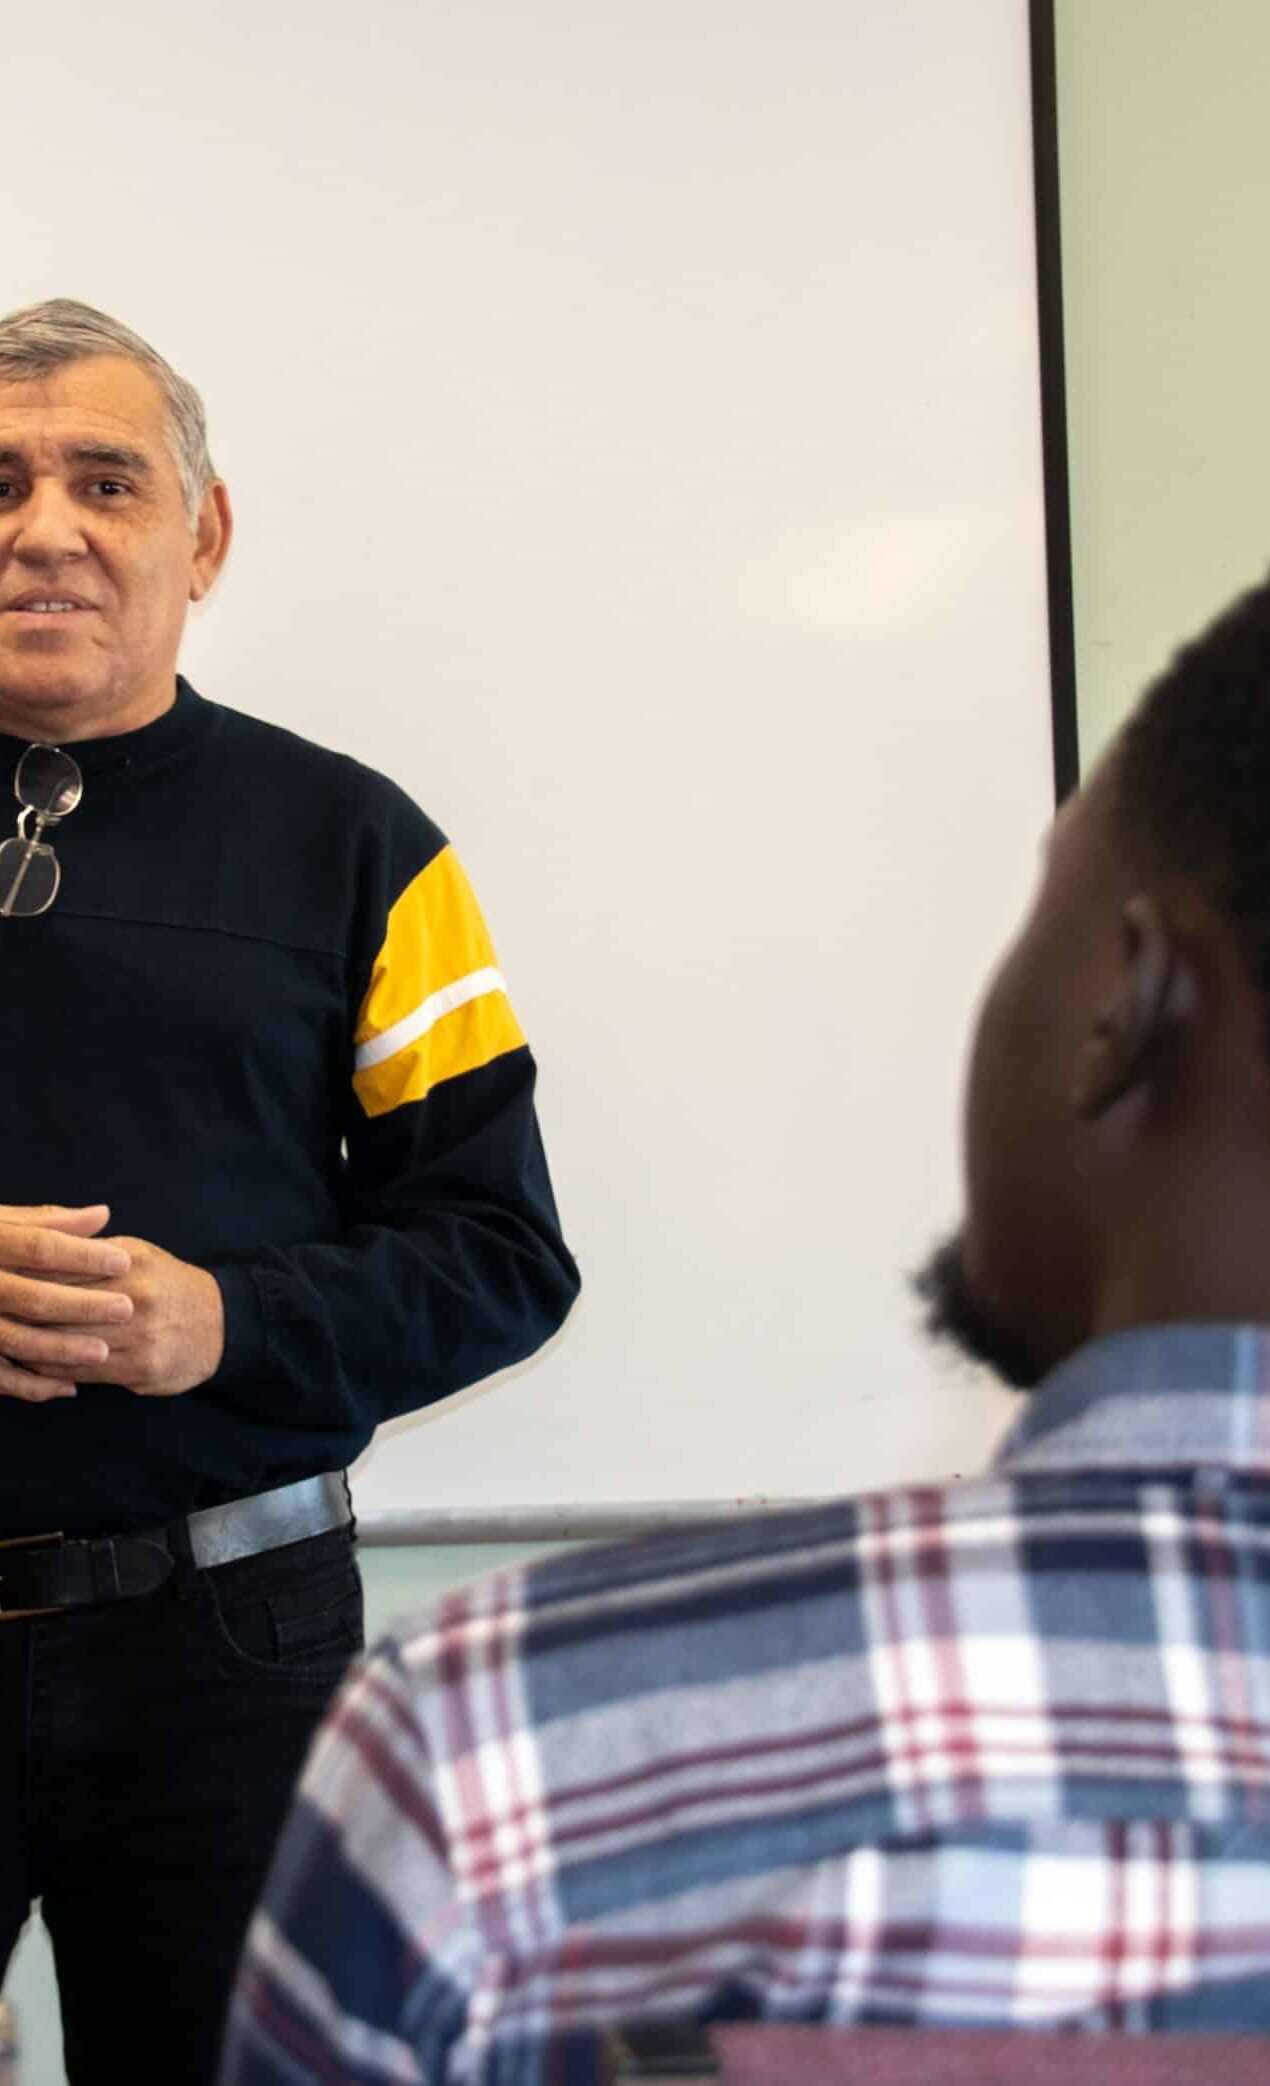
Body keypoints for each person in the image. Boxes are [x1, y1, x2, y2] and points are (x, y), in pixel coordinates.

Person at [223, 487, 1270, 2086]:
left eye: (1043, 902)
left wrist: (234, 1322)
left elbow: (493, 1245)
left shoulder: (515, 1761)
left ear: (1127, 1005)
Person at [0, 299, 579, 2084]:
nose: (45, 528)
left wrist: (227, 1322)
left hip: (230, 1651)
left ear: (205, 532)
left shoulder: (358, 845)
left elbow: (501, 1256)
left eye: (108, 480)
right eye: (0, 484)